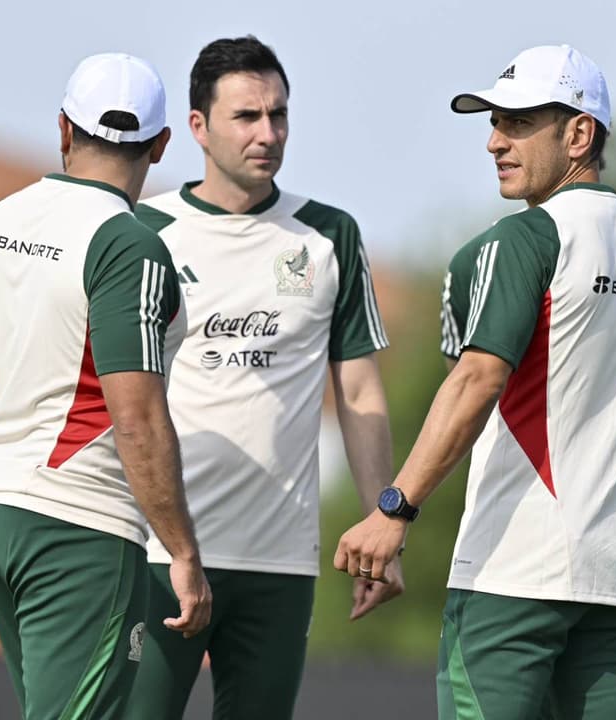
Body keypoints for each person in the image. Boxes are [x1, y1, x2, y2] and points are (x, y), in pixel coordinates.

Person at [334, 44, 616, 720]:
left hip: (511, 579)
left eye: (519, 122)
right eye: (494, 122)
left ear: (580, 133)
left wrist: (394, 509)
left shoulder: (524, 239)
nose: (494, 142)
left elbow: (475, 379)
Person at [0, 52, 211, 719]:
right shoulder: (129, 244)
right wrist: (181, 551)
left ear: (65, 130)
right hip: (78, 521)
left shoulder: (2, 217)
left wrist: (13, 413)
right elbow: (137, 418)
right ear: (160, 145)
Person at [126, 36, 398, 720]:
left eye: (279, 115)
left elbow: (360, 392)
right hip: (162, 554)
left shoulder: (329, 235)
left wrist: (382, 526)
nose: (268, 133)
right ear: (198, 127)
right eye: (247, 117)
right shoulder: (141, 229)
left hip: (281, 561)